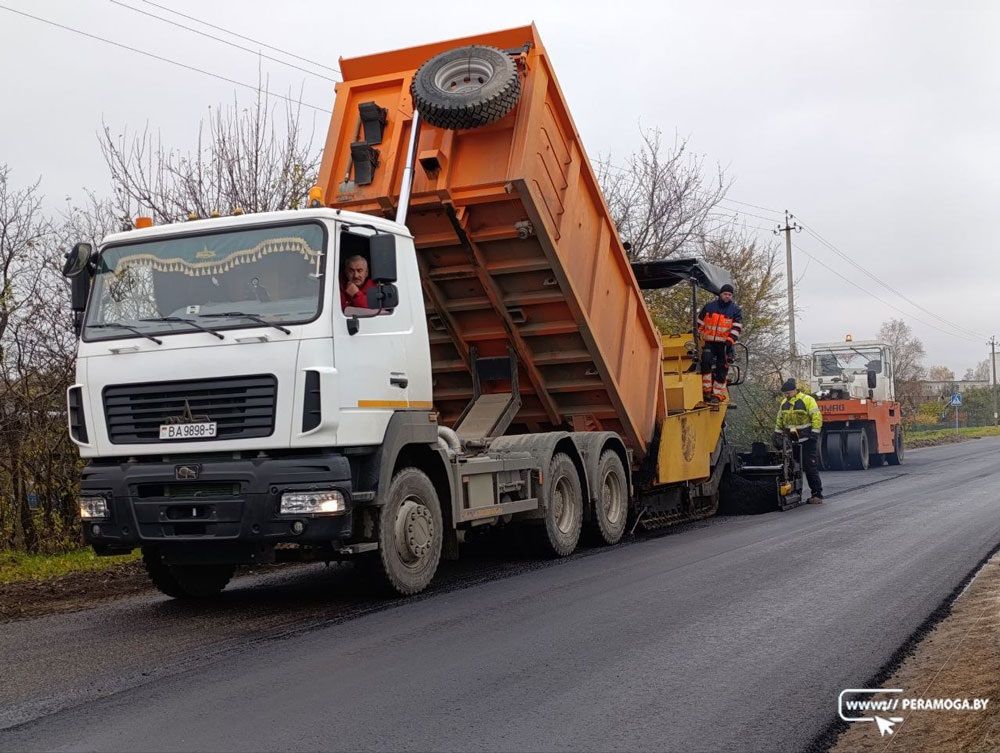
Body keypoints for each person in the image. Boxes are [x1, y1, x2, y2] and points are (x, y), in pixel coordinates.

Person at [774, 377, 824, 504]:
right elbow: (780, 419)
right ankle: (794, 492)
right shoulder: (784, 403)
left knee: (809, 466)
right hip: (792, 440)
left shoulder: (807, 400)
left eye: (788, 393)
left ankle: (817, 494)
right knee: (791, 467)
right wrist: (776, 434)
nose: (786, 395)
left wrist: (815, 433)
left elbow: (816, 416)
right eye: (785, 394)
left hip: (807, 439)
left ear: (795, 390)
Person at [697, 283, 743, 402]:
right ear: (720, 294)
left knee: (722, 369)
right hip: (710, 343)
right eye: (725, 294)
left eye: (730, 294)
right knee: (705, 362)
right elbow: (699, 323)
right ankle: (706, 390)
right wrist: (695, 333)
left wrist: (730, 340)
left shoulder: (735, 310)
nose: (727, 296)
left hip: (725, 345)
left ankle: (717, 395)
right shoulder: (709, 307)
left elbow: (737, 327)